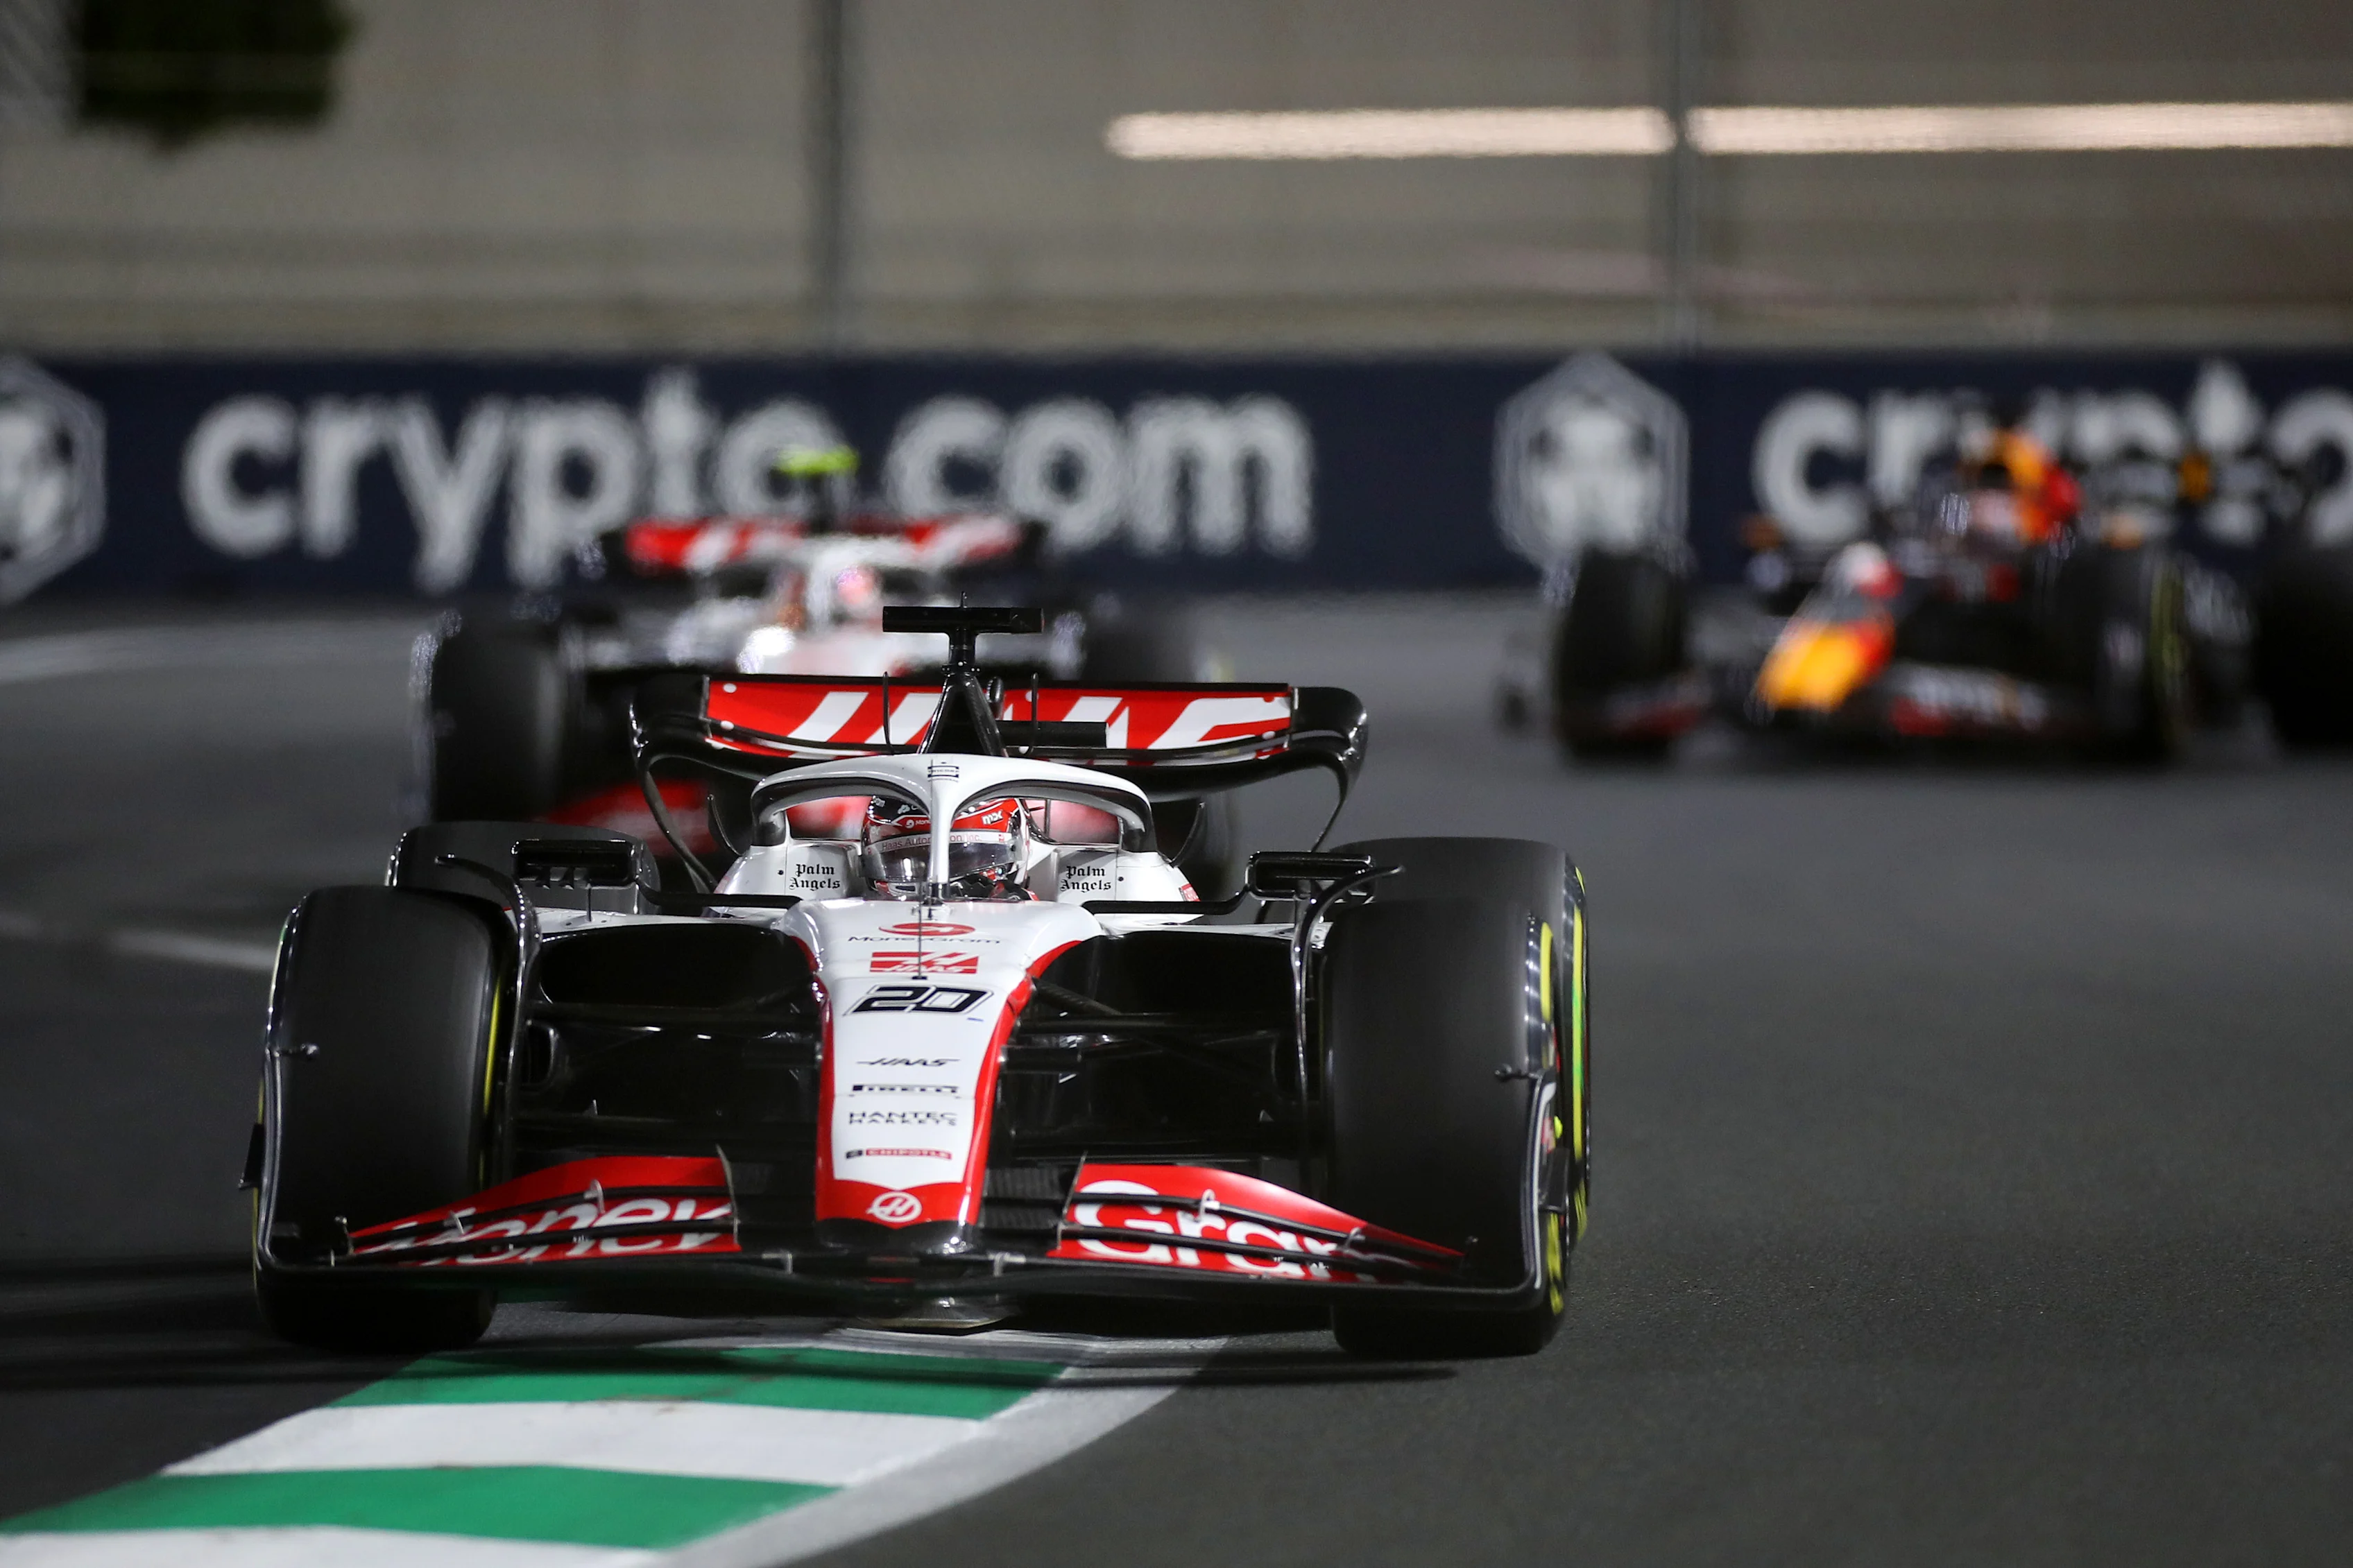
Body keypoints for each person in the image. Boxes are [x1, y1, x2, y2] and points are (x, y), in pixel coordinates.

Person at [862, 796, 1034, 900]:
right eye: (911, 860)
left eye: (962, 860)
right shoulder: (853, 919)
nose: (934, 894)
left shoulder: (1032, 916)